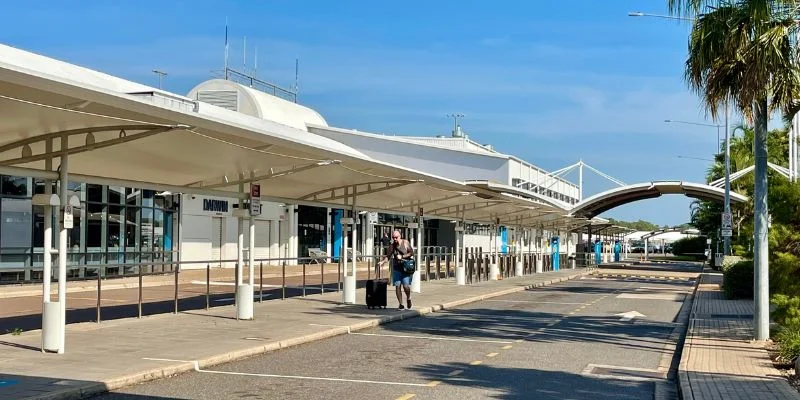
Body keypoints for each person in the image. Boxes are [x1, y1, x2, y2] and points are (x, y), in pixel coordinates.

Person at [381, 230, 414, 310]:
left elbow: (411, 253)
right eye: (393, 237)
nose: (395, 239)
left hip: (405, 268)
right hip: (396, 268)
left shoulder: (405, 242)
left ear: (400, 236)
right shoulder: (392, 246)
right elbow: (388, 256)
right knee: (397, 286)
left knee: (406, 286)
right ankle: (401, 304)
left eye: (396, 237)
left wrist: (402, 256)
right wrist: (382, 261)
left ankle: (408, 298)